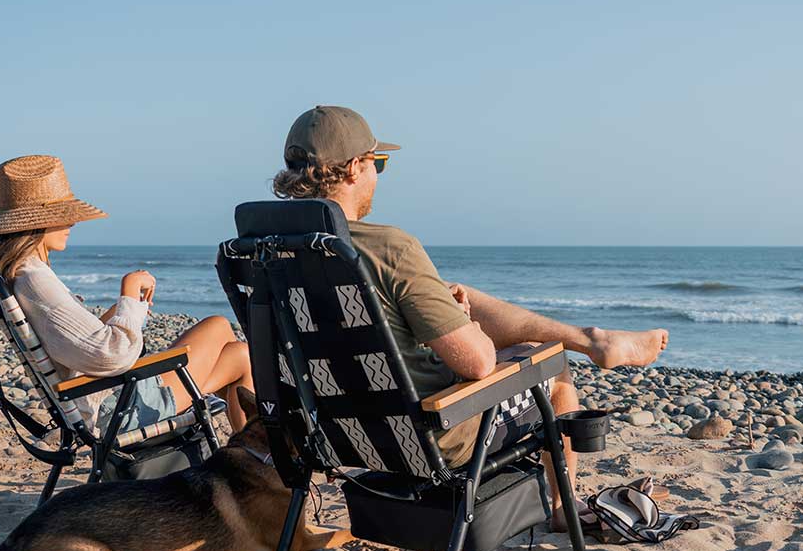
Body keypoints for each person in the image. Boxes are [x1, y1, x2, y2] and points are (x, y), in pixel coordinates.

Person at [271, 106, 669, 528]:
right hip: (432, 437)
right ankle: (560, 508)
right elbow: (477, 364)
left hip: (330, 436)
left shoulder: (269, 253)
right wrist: (470, 325)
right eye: (377, 164)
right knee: (550, 363)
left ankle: (593, 339)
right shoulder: (390, 249)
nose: (376, 176)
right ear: (353, 169)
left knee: (459, 303)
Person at [0, 154, 253, 433]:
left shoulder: (21, 274)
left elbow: (81, 342)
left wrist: (123, 307)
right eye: (62, 216)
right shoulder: (36, 281)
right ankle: (257, 458)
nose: (72, 224)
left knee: (235, 348)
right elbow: (114, 356)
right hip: (118, 407)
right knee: (226, 336)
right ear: (36, 223)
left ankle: (251, 457)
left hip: (107, 395)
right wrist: (129, 292)